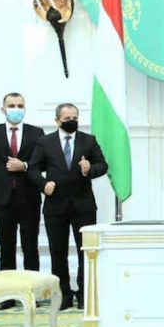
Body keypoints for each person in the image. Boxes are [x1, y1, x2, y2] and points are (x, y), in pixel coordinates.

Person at [27, 103, 107, 311]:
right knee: (58, 251)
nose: (71, 121)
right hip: (55, 205)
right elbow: (32, 169)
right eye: (67, 118)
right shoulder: (44, 142)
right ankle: (63, 294)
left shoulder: (88, 140)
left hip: (84, 205)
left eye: (75, 117)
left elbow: (102, 166)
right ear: (57, 121)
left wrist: (90, 168)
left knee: (85, 251)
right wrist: (44, 185)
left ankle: (84, 294)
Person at [0, 93, 45, 309]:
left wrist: (23, 165)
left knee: (30, 246)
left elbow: (42, 163)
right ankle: (6, 295)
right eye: (11, 105)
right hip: (1, 199)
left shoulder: (36, 133)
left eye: (20, 105)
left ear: (25, 108)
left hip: (29, 198)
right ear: (3, 109)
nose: (16, 109)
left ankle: (32, 293)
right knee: (6, 247)